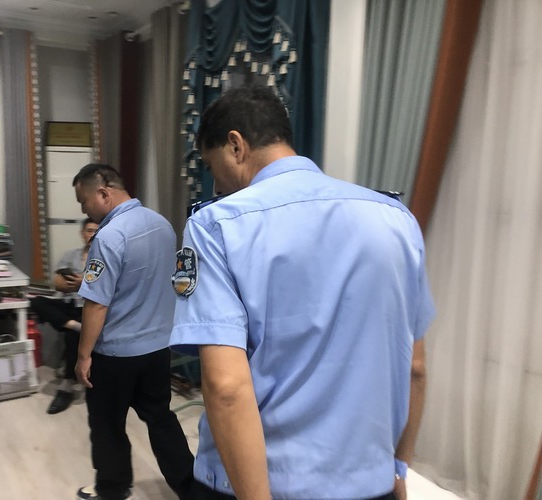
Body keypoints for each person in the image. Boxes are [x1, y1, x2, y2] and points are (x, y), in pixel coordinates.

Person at [169, 85, 435, 500]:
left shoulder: (216, 226)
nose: (215, 184)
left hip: (260, 485)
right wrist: (397, 467)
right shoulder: (397, 220)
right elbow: (415, 368)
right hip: (371, 483)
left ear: (236, 145)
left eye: (210, 164)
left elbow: (226, 387)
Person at [72, 164, 195, 500]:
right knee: (161, 419)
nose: (83, 210)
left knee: (107, 425)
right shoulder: (162, 224)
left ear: (103, 193)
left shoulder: (109, 236)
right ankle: (191, 488)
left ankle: (113, 489)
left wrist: (83, 356)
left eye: (84, 201)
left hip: (116, 354)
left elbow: (96, 305)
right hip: (157, 348)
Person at [30, 217, 98, 414]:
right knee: (36, 301)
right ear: (82, 233)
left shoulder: (106, 257)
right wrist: (64, 282)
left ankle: (67, 386)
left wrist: (83, 283)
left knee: (73, 336)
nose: (92, 234)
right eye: (89, 230)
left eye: (97, 231)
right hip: (68, 303)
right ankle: (73, 324)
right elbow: (58, 280)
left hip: (89, 307)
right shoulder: (71, 255)